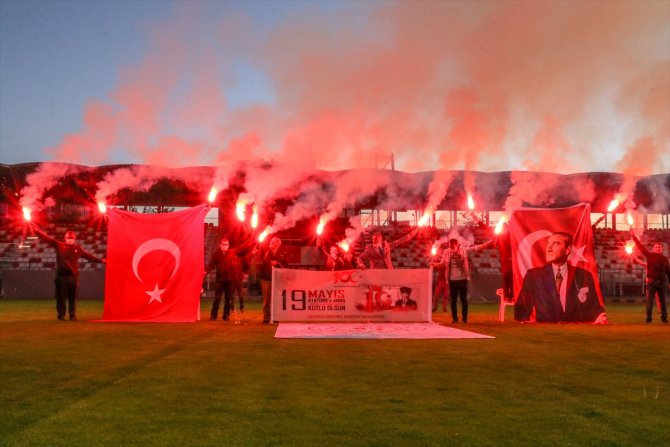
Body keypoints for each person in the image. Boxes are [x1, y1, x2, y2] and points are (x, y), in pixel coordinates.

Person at [515, 232, 607, 323]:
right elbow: (521, 309)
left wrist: (600, 317)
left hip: (576, 333)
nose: (548, 249)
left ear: (567, 250)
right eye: (548, 243)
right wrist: (525, 325)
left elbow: (594, 308)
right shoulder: (533, 276)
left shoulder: (584, 275)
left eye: (555, 244)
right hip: (546, 334)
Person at [33, 226, 105, 321]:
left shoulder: (77, 249)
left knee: (72, 298)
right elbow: (48, 239)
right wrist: (37, 232)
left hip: (72, 277)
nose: (70, 240)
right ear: (65, 238)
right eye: (68, 238)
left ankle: (72, 315)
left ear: (74, 239)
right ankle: (61, 316)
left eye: (72, 238)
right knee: (61, 298)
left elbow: (89, 256)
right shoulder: (59, 245)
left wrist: (101, 260)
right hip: (61, 276)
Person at [431, 237, 494, 323]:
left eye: (453, 247)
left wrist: (488, 243)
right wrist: (434, 264)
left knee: (463, 300)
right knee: (453, 301)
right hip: (452, 280)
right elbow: (442, 264)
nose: (451, 249)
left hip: (462, 279)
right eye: (450, 247)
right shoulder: (446, 252)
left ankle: (464, 318)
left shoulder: (463, 250)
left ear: (457, 245)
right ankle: (455, 319)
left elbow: (476, 248)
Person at [630, 229, 670, 323]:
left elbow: (668, 271)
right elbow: (641, 247)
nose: (657, 249)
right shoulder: (649, 255)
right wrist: (634, 237)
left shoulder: (665, 259)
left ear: (661, 249)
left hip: (662, 283)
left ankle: (664, 318)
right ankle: (649, 318)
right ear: (653, 248)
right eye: (656, 247)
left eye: (659, 248)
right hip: (651, 282)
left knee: (663, 302)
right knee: (650, 302)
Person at [205, 238, 243, 321]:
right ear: (220, 245)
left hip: (230, 281)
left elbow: (236, 265)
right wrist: (206, 271)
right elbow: (211, 265)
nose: (225, 246)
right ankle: (213, 315)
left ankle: (226, 316)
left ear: (228, 245)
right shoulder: (216, 254)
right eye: (223, 244)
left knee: (228, 299)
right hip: (220, 280)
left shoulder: (231, 253)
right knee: (217, 298)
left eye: (226, 244)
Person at [259, 237, 286, 324]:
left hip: (275, 279)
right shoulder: (266, 251)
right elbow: (264, 263)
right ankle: (266, 317)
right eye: (274, 243)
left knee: (275, 299)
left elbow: (284, 265)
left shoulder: (279, 254)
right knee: (267, 298)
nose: (276, 245)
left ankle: (274, 317)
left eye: (278, 244)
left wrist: (277, 263)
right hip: (266, 278)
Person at [496, 224, 514, 302]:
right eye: (503, 228)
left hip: (512, 260)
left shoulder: (511, 236)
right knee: (506, 279)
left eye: (505, 228)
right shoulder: (499, 237)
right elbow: (488, 230)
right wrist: (479, 222)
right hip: (505, 262)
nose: (504, 230)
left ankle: (512, 296)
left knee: (512, 279)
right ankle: (506, 296)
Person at [431, 247, 448, 312]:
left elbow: (441, 265)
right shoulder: (441, 261)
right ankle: (435, 307)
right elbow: (439, 265)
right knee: (436, 295)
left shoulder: (446, 262)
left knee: (445, 296)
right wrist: (434, 264)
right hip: (440, 281)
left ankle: (444, 308)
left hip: (446, 281)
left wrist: (435, 264)